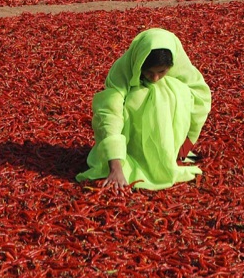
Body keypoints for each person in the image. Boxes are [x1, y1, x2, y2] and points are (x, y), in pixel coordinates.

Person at [77, 28, 211, 191]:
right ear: (138, 63)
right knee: (140, 94)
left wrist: (184, 149)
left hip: (171, 147)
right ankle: (138, 159)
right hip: (131, 146)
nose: (155, 78)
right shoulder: (122, 71)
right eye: (148, 72)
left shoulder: (183, 70)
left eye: (161, 71)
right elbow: (109, 113)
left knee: (173, 90)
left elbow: (201, 100)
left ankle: (166, 155)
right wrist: (116, 165)